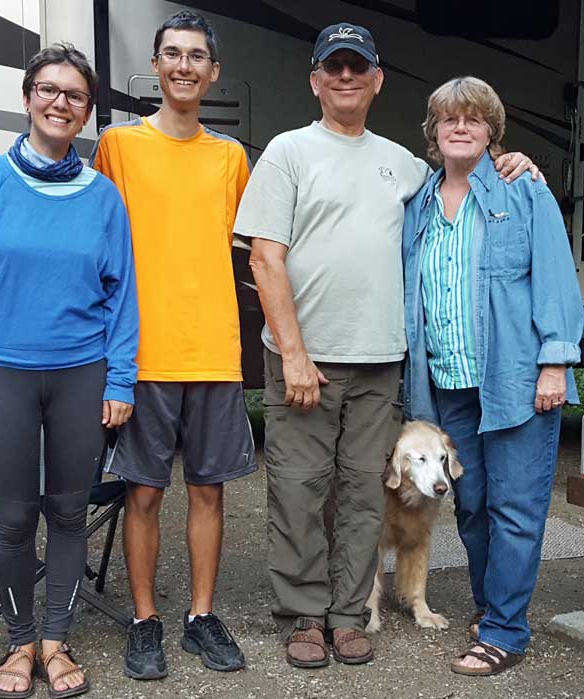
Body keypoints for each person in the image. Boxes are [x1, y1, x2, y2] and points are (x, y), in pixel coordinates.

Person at [234, 23, 539, 669]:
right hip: (305, 360)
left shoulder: (406, 165)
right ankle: (302, 616)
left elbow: (467, 184)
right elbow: (265, 257)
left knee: (366, 496)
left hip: (380, 363)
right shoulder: (288, 151)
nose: (345, 77)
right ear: (315, 80)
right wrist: (293, 353)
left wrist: (515, 162)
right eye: (333, 68)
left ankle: (349, 614)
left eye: (358, 68)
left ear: (376, 81)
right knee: (298, 491)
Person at [0, 43, 138, 699]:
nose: (60, 103)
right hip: (2, 375)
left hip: (82, 372)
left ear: (87, 112)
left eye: (75, 95)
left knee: (70, 511)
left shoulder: (103, 197)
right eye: (49, 90)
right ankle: (19, 642)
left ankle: (56, 640)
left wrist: (120, 380)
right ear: (28, 98)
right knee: (17, 516)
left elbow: (123, 295)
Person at [90, 10, 256, 680]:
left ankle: (200, 617)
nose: (185, 66)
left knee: (209, 493)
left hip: (213, 351)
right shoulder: (118, 147)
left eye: (197, 57)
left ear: (213, 73)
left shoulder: (231, 157)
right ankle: (144, 619)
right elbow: (97, 246)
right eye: (172, 54)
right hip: (144, 353)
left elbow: (250, 251)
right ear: (155, 66)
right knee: (145, 494)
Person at [403, 76, 584, 676]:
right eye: (450, 119)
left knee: (516, 507)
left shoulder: (523, 190)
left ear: (491, 133)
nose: (461, 127)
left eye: (475, 120)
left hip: (517, 381)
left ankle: (505, 630)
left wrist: (555, 361)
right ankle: (491, 606)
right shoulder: (418, 204)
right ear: (433, 131)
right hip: (448, 383)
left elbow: (557, 277)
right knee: (471, 504)